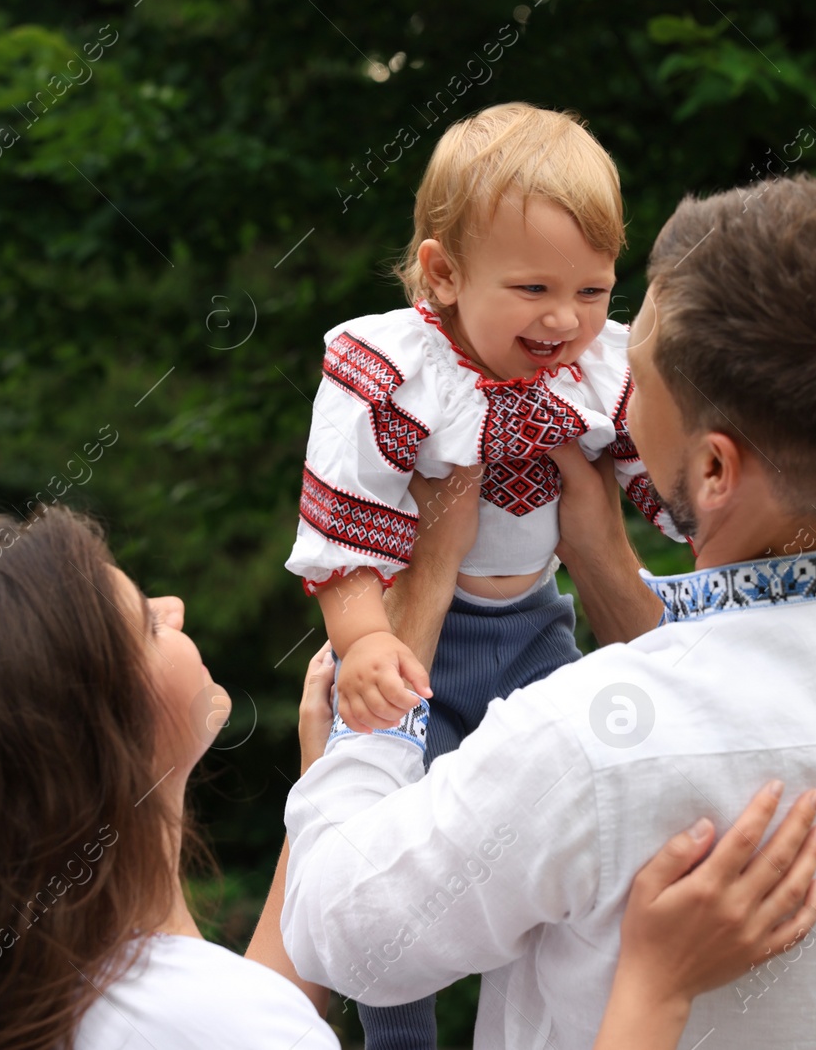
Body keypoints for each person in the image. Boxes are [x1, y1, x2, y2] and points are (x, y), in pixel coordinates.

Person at [280, 175, 816, 1048]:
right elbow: (735, 655)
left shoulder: (580, 743)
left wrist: (367, 726)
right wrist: (604, 557)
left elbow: (343, 935)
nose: (607, 402)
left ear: (714, 470)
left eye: (633, 382)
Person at [0, 502, 816, 1050]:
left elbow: (233, 1003)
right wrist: (656, 984)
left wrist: (329, 790)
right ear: (102, 733)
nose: (173, 607)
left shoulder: (33, 987)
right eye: (143, 618)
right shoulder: (206, 1025)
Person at [288, 103, 679, 1043]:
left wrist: (674, 521)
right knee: (385, 843)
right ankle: (398, 1035)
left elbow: (660, 480)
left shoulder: (598, 366)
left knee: (566, 826)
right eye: (535, 286)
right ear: (444, 273)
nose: (565, 318)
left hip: (541, 627)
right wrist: (365, 639)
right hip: (421, 639)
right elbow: (344, 517)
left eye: (593, 289)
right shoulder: (391, 369)